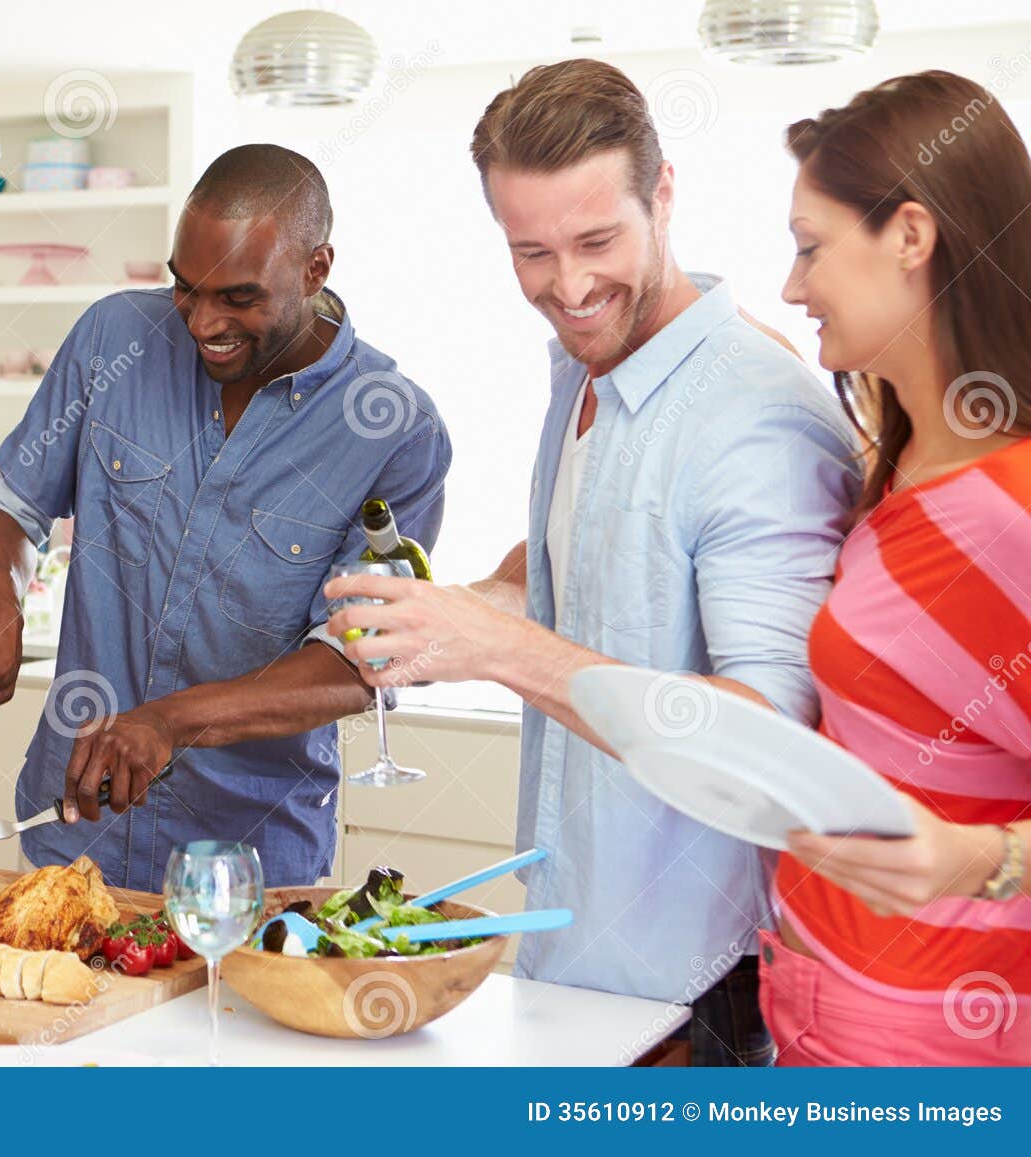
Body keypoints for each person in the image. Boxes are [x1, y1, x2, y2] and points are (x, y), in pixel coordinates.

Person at [324, 60, 861, 1065]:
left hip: (699, 993)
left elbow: (774, 744)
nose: (566, 285)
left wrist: (497, 645)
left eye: (596, 241)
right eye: (530, 251)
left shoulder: (756, 416)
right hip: (579, 947)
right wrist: (464, 605)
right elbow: (590, 551)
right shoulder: (585, 354)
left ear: (662, 195)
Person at [0, 144, 452, 893]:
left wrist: (172, 720)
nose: (203, 321)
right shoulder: (113, 340)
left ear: (315, 269)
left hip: (250, 861)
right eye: (185, 289)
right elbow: (12, 507)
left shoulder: (394, 429)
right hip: (75, 832)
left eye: (238, 298)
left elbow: (359, 660)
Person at [760, 71, 1031, 1065]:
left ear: (910, 236)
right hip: (820, 1018)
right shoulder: (906, 460)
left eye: (811, 246)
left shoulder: (1011, 510)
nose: (793, 285)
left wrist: (982, 856)